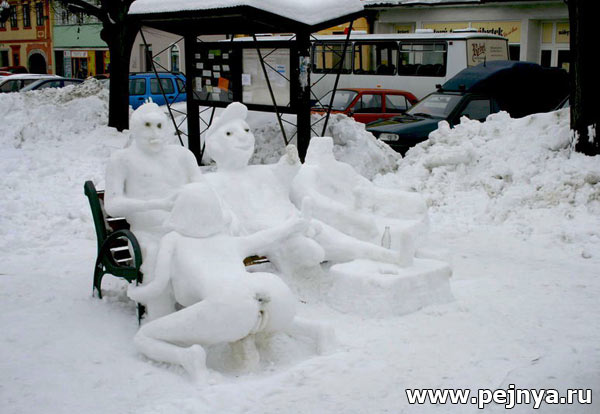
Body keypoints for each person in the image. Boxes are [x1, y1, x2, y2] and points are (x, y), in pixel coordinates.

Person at [128, 183, 334, 379]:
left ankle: (186, 357)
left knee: (144, 337)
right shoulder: (227, 240)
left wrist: (133, 292)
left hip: (228, 306)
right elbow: (265, 237)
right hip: (272, 293)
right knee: (256, 313)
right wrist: (293, 225)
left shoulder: (172, 240)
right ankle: (318, 331)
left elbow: (156, 286)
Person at [203, 102, 409, 281]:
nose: (243, 137)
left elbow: (280, 177)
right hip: (277, 236)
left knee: (336, 238)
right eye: (229, 134)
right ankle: (312, 283)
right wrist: (283, 228)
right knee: (311, 250)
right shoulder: (214, 183)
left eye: (246, 130)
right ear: (216, 145)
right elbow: (231, 223)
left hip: (299, 221)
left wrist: (289, 163)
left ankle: (386, 255)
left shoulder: (259, 172)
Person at [104, 102, 203, 320]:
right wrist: (156, 204)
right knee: (157, 258)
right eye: (147, 125)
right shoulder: (122, 159)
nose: (154, 133)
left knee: (213, 254)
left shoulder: (183, 156)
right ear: (135, 128)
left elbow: (202, 190)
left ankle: (207, 312)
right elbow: (112, 205)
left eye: (159, 126)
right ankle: (161, 320)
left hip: (186, 229)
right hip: (146, 232)